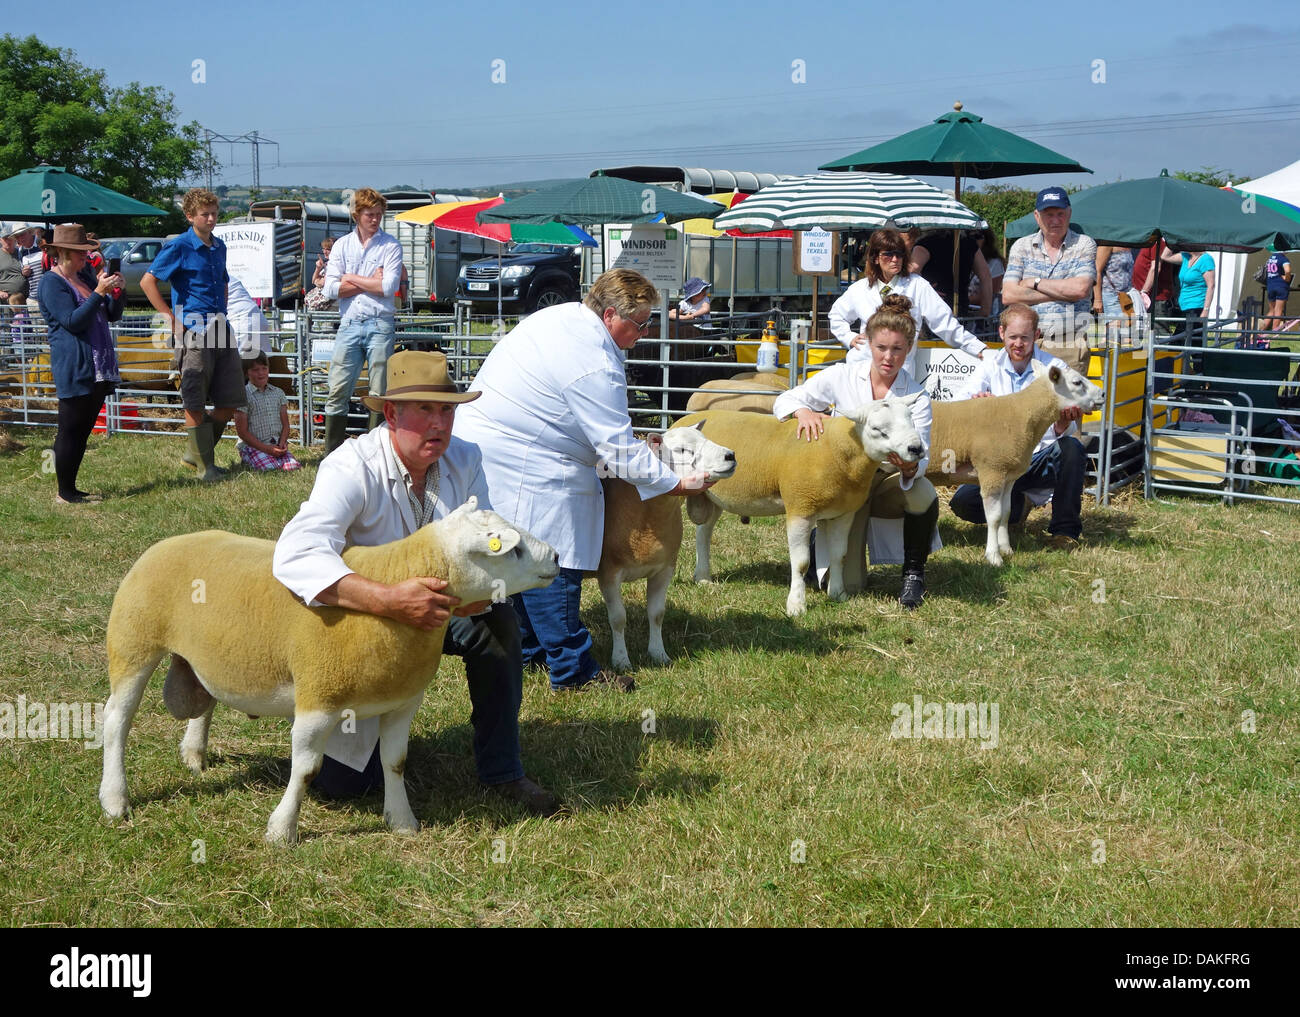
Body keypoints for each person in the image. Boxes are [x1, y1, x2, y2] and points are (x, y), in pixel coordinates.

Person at [272, 349, 560, 815]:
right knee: (344, 788)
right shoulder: (352, 467)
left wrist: (477, 596)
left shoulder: (466, 460)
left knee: (501, 624)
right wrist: (387, 599)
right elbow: (296, 552)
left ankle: (504, 769)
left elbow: (487, 544)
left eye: (446, 410)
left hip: (444, 612)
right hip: (367, 626)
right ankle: (354, 736)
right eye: (424, 410)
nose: (439, 424)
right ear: (390, 413)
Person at [454, 268, 714, 692]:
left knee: (516, 555)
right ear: (611, 314)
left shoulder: (568, 321)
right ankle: (572, 670)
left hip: (496, 449)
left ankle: (530, 650)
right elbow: (617, 447)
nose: (645, 332)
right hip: (526, 462)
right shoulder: (592, 360)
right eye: (641, 322)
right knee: (551, 561)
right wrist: (675, 484)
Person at [773, 294, 939, 608]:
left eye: (897, 349)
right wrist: (803, 412)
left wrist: (909, 468)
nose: (888, 357)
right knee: (850, 585)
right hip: (845, 484)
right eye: (881, 348)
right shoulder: (842, 376)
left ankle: (914, 574)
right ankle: (818, 536)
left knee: (922, 491)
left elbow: (923, 454)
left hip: (887, 480)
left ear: (909, 348)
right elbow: (785, 400)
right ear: (868, 344)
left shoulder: (916, 396)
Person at [948, 304, 1086, 549]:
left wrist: (1064, 422)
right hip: (999, 461)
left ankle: (1064, 531)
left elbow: (1073, 420)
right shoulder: (990, 364)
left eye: (1025, 337)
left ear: (1037, 335)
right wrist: (977, 406)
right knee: (962, 503)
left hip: (1038, 456)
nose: (1018, 344)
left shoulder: (1054, 370)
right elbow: (958, 403)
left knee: (1072, 449)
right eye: (1012, 337)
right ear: (1001, 333)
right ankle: (1017, 508)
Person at [142, 187, 245, 482]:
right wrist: (169, 316)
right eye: (205, 214)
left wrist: (223, 309)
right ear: (190, 216)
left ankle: (195, 454)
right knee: (195, 397)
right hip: (193, 328)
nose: (212, 218)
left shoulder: (220, 246)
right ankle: (205, 467)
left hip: (219, 325)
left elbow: (224, 281)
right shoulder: (179, 247)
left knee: (230, 398)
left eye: (214, 213)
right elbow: (149, 281)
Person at [36, 224, 125, 504]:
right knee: (70, 429)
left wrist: (116, 293)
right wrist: (99, 291)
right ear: (61, 252)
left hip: (97, 366)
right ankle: (65, 492)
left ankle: (71, 489)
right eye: (80, 254)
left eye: (86, 253)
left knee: (83, 430)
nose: (86, 258)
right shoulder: (51, 282)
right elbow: (72, 321)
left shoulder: (84, 276)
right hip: (75, 365)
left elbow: (111, 315)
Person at [828, 227, 988, 379]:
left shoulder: (917, 285)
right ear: (875, 258)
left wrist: (976, 347)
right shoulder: (859, 288)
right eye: (888, 255)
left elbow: (945, 324)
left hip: (900, 373)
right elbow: (836, 315)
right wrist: (848, 337)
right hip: (862, 369)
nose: (895, 260)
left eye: (899, 254)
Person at [321, 188, 404, 449]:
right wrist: (371, 281)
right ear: (357, 215)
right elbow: (329, 289)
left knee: (379, 392)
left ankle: (376, 450)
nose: (375, 219)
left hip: (380, 323)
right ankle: (332, 452)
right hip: (350, 322)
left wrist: (350, 277)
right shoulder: (342, 245)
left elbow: (389, 287)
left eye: (379, 214)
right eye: (370, 214)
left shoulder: (390, 245)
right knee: (338, 388)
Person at [1001, 188, 1097, 343]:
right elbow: (1008, 295)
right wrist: (1064, 293)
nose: (1055, 220)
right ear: (1037, 216)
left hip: (1071, 342)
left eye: (1060, 214)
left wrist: (1035, 283)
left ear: (1069, 214)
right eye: (1049, 215)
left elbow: (1081, 289)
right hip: (1028, 342)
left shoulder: (1084, 244)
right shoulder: (1021, 246)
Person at [234, 352, 300, 472]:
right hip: (253, 446)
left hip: (276, 444)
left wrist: (283, 443)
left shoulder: (278, 393)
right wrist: (266, 449)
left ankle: (270, 457)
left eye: (264, 368)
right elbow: (242, 432)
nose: (261, 373)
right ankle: (248, 458)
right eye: (255, 370)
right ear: (246, 372)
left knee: (293, 467)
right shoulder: (242, 396)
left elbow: (285, 424)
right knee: (270, 468)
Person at [912, 229, 990, 320]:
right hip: (960, 309)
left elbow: (911, 273)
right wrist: (985, 309)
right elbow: (986, 276)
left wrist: (925, 292)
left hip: (933, 309)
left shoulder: (924, 243)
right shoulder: (969, 243)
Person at [1160, 244, 1215, 362]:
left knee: (1185, 343)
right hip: (1184, 307)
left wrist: (1206, 310)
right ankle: (1189, 373)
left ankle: (1198, 374)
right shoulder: (1185, 257)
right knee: (1190, 342)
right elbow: (1165, 256)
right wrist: (1172, 241)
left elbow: (1211, 285)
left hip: (1197, 308)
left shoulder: (1206, 259)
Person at [1133, 238, 1177, 330]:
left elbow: (1156, 267)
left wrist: (1144, 291)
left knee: (1159, 332)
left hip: (1155, 297)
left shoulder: (1159, 242)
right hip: (1146, 296)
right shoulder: (1152, 241)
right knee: (1140, 331)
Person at [1092, 244, 1135, 330]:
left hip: (1126, 296)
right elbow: (1097, 271)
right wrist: (1097, 300)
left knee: (1127, 332)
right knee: (1115, 333)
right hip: (1110, 296)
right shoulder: (1106, 244)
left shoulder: (1127, 243)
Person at [967, 228, 1004, 320]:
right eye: (970, 236)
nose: (973, 240)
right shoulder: (963, 260)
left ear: (986, 240)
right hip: (966, 311)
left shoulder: (994, 263)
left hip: (985, 317)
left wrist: (964, 300)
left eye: (977, 236)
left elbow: (992, 293)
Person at [303, 236, 337, 311]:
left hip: (329, 305)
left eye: (328, 249)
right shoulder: (328, 264)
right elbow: (313, 281)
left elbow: (320, 283)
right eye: (323, 249)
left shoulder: (335, 265)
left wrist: (318, 280)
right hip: (323, 305)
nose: (324, 252)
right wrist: (318, 268)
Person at [1264, 250, 1292, 332]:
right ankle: (1274, 331)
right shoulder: (1284, 259)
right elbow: (1288, 271)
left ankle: (1260, 330)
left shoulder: (1271, 258)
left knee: (1271, 310)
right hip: (1281, 286)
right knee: (1278, 310)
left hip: (1270, 286)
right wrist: (1287, 278)